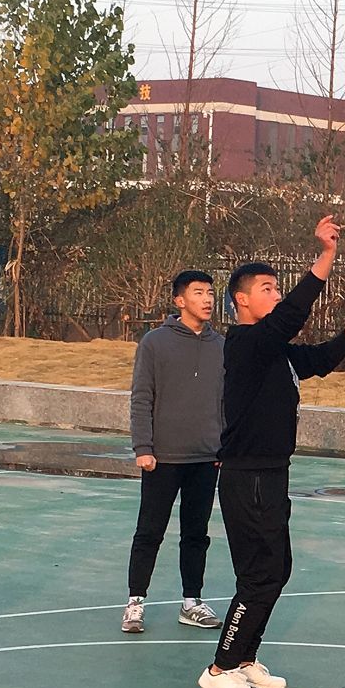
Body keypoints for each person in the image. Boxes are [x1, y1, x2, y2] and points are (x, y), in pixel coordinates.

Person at [199, 217, 345, 688]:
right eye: (267, 289)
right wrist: (325, 256)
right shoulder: (246, 344)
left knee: (278, 568)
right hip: (248, 477)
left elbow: (321, 359)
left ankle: (245, 659)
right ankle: (220, 667)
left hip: (271, 475)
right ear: (242, 300)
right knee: (259, 574)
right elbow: (290, 316)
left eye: (277, 287)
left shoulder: (277, 353)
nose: (276, 294)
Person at [123, 269, 226, 634]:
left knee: (196, 534)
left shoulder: (221, 346)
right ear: (179, 300)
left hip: (206, 457)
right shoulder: (154, 343)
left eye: (210, 292)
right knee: (149, 532)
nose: (208, 299)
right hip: (162, 458)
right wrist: (143, 447)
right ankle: (135, 602)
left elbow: (226, 401)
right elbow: (141, 398)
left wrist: (224, 445)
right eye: (198, 292)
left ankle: (191, 602)